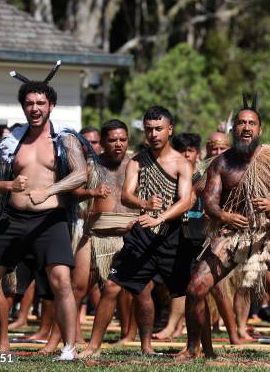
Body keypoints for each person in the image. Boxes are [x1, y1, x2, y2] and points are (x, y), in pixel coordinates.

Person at [183, 95, 270, 360]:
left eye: (251, 124)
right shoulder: (221, 163)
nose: (246, 128)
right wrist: (225, 216)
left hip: (268, 235)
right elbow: (210, 202)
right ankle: (194, 348)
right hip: (231, 235)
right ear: (233, 129)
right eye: (240, 123)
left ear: (260, 129)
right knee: (195, 289)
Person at [0, 61, 88, 360]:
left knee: (61, 280)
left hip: (50, 219)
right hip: (12, 218)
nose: (35, 108)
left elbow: (81, 175)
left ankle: (69, 348)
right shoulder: (10, 142)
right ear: (23, 107)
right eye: (29, 103)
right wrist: (8, 186)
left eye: (41, 102)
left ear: (51, 105)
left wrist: (49, 191)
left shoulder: (64, 139)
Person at [78, 106, 193, 358]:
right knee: (111, 287)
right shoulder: (137, 161)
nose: (153, 134)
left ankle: (196, 348)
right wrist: (145, 205)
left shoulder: (181, 163)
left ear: (170, 130)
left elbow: (185, 201)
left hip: (171, 238)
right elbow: (127, 195)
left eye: (159, 129)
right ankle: (93, 347)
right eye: (149, 129)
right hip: (141, 236)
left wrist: (160, 216)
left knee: (193, 292)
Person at [40, 119, 138, 353]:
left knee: (128, 291)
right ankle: (59, 341)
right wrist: (91, 192)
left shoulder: (136, 165)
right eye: (112, 140)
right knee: (76, 288)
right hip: (93, 232)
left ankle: (132, 337)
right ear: (103, 142)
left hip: (127, 233)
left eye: (122, 140)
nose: (118, 144)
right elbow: (72, 192)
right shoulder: (90, 165)